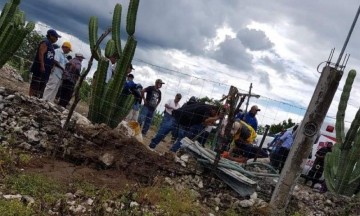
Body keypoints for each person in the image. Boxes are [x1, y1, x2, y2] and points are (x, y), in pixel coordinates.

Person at [29, 29, 61, 98]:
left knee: (41, 84)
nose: (57, 39)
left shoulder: (51, 45)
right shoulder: (45, 42)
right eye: (56, 37)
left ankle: (34, 98)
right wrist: (42, 66)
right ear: (51, 35)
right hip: (40, 67)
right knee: (35, 83)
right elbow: (41, 53)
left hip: (46, 69)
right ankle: (30, 97)